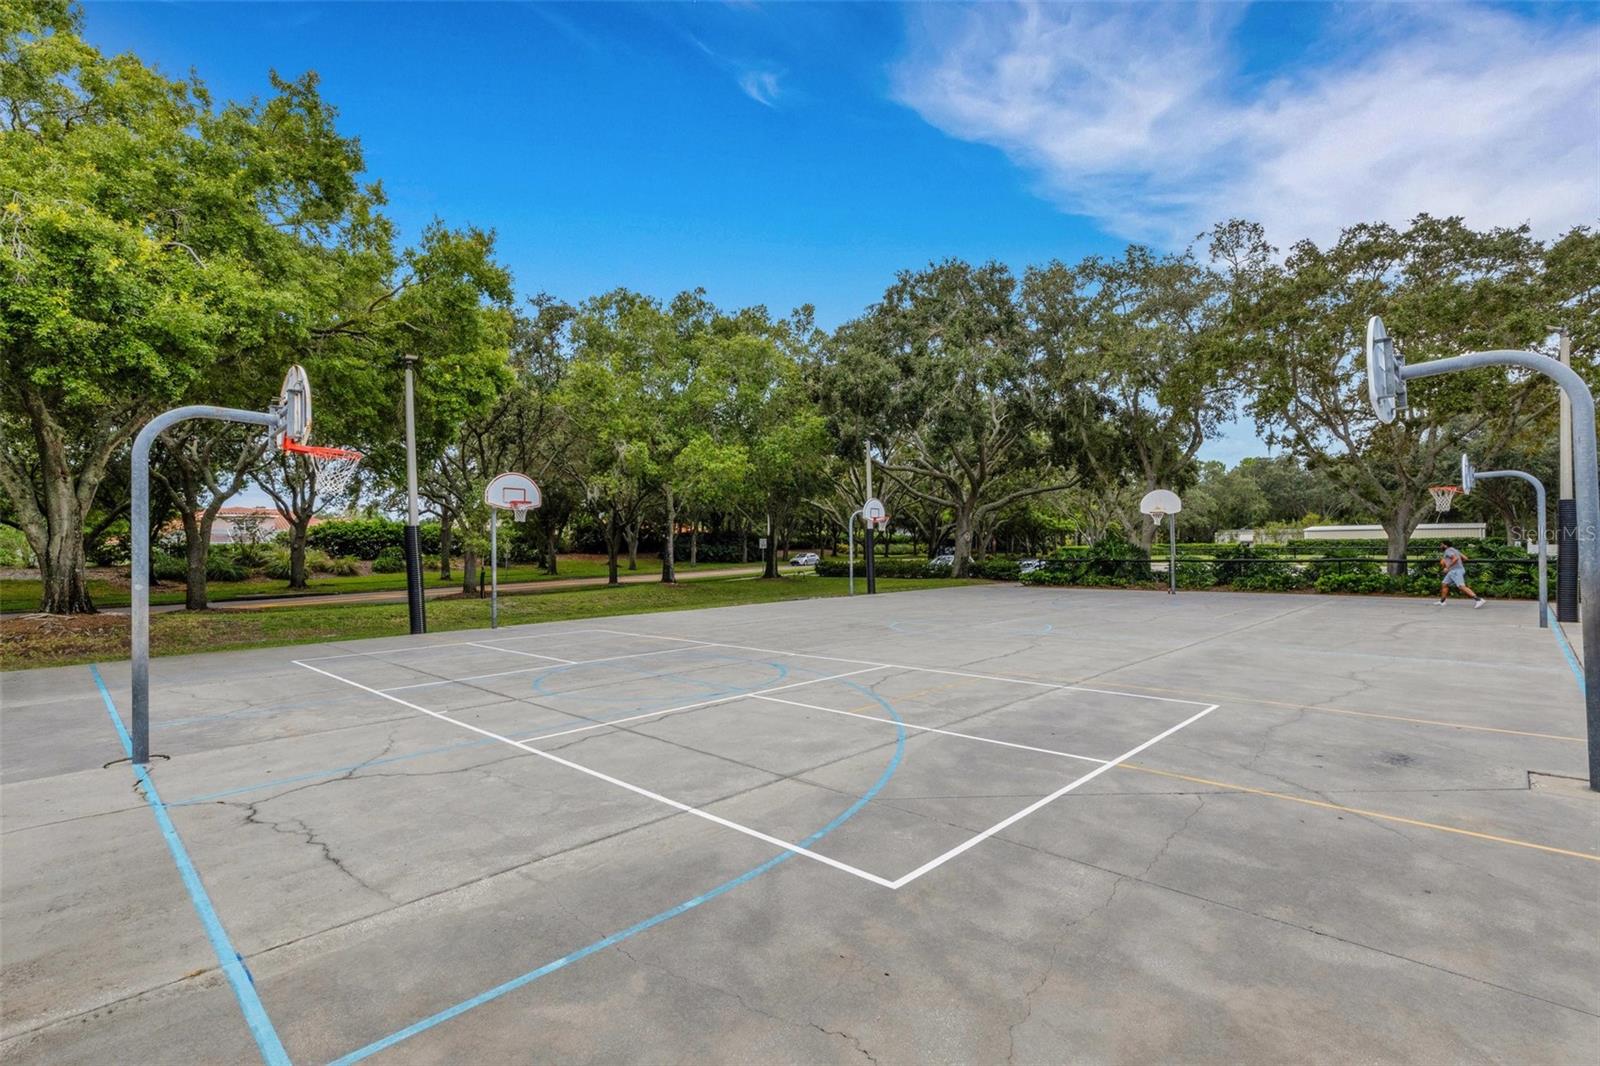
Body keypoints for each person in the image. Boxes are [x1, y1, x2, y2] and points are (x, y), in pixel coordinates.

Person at [1436, 540, 1485, 608]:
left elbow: (1455, 558)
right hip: (1455, 570)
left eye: (1441, 545)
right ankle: (1442, 601)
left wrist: (1447, 567)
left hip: (1456, 571)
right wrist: (1457, 564)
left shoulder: (1448, 551)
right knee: (1444, 584)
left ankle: (1479, 600)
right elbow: (1465, 558)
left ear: (1445, 545)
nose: (1440, 546)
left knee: (1461, 586)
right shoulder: (1455, 550)